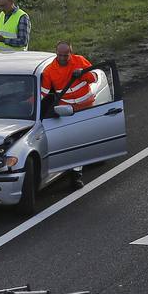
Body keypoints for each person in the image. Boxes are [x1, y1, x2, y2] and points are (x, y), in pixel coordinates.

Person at [40, 42, 98, 186]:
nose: (62, 58)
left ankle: (91, 159)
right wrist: (25, 104)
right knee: (75, 141)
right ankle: (76, 175)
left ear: (70, 53)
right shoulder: (49, 71)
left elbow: (95, 77)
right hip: (67, 111)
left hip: (87, 107)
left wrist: (83, 73)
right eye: (60, 55)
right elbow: (43, 94)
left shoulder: (79, 60)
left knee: (88, 137)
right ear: (56, 53)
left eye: (65, 55)